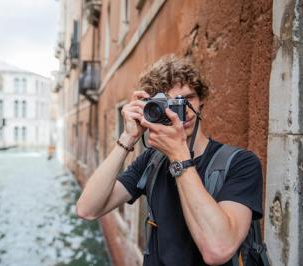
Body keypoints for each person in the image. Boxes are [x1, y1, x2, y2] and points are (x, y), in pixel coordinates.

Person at [76, 55, 263, 266]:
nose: (180, 113)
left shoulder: (241, 164)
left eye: (187, 99)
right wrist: (128, 137)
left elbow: (218, 250)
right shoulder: (152, 160)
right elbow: (87, 209)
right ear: (154, 107)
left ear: (202, 100)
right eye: (170, 104)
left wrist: (178, 155)